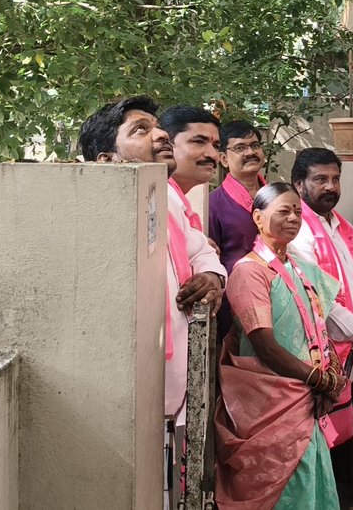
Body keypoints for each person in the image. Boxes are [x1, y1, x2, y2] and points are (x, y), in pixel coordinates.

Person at [79, 96, 226, 494]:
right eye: (140, 130)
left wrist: (212, 278)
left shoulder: (165, 202)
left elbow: (202, 252)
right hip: (129, 398)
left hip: (173, 396)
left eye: (157, 125)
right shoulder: (93, 219)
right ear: (106, 161)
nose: (160, 134)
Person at [214, 183, 347, 508]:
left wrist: (330, 373)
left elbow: (316, 328)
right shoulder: (249, 273)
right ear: (258, 218)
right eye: (283, 211)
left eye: (297, 212)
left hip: (304, 398)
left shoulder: (300, 269)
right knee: (284, 490)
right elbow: (265, 345)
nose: (293, 218)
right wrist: (318, 379)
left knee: (309, 478)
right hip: (273, 402)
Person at [289, 148, 353, 452]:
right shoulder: (298, 230)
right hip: (327, 353)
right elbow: (319, 301)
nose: (330, 186)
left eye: (335, 179)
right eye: (320, 179)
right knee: (324, 436)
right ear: (298, 184)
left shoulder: (341, 224)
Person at [209, 120, 268, 337]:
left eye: (255, 146)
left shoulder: (278, 197)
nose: (250, 152)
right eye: (240, 148)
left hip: (281, 296)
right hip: (235, 306)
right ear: (224, 159)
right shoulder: (214, 204)